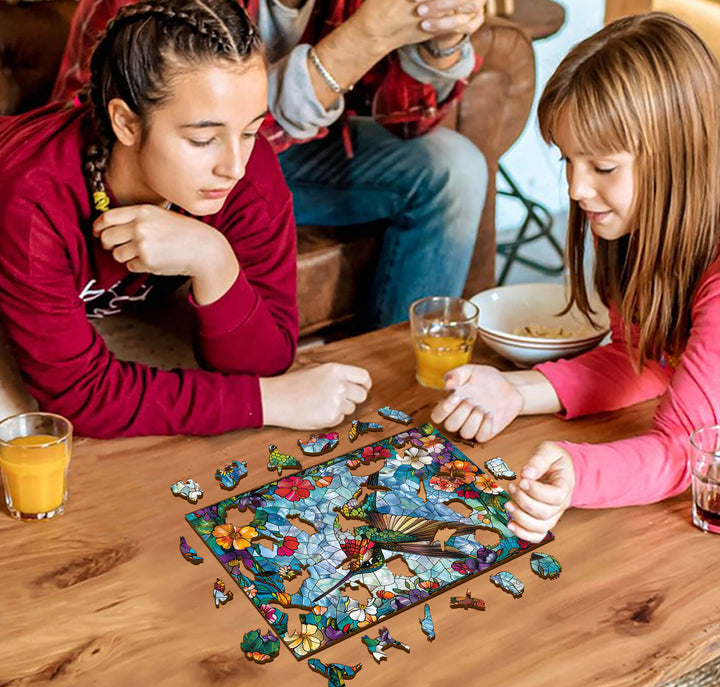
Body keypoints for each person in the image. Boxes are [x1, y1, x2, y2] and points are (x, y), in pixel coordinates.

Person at [0, 0, 371, 438]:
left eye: (250, 130)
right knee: (22, 433)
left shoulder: (247, 170)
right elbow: (82, 398)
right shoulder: (32, 200)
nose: (234, 165)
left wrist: (214, 260)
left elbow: (268, 358)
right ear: (126, 123)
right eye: (203, 139)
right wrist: (270, 400)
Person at [431, 12, 720, 541]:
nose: (574, 188)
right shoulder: (642, 230)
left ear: (681, 158)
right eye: (568, 160)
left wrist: (579, 472)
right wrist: (515, 391)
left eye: (602, 167)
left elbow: (689, 448)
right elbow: (643, 358)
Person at [51, 0, 489, 328]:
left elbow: (411, 124)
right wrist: (362, 39)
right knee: (226, 149)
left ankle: (403, 382)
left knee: (454, 167)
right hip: (151, 164)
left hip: (287, 148)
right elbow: (105, 136)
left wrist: (440, 41)